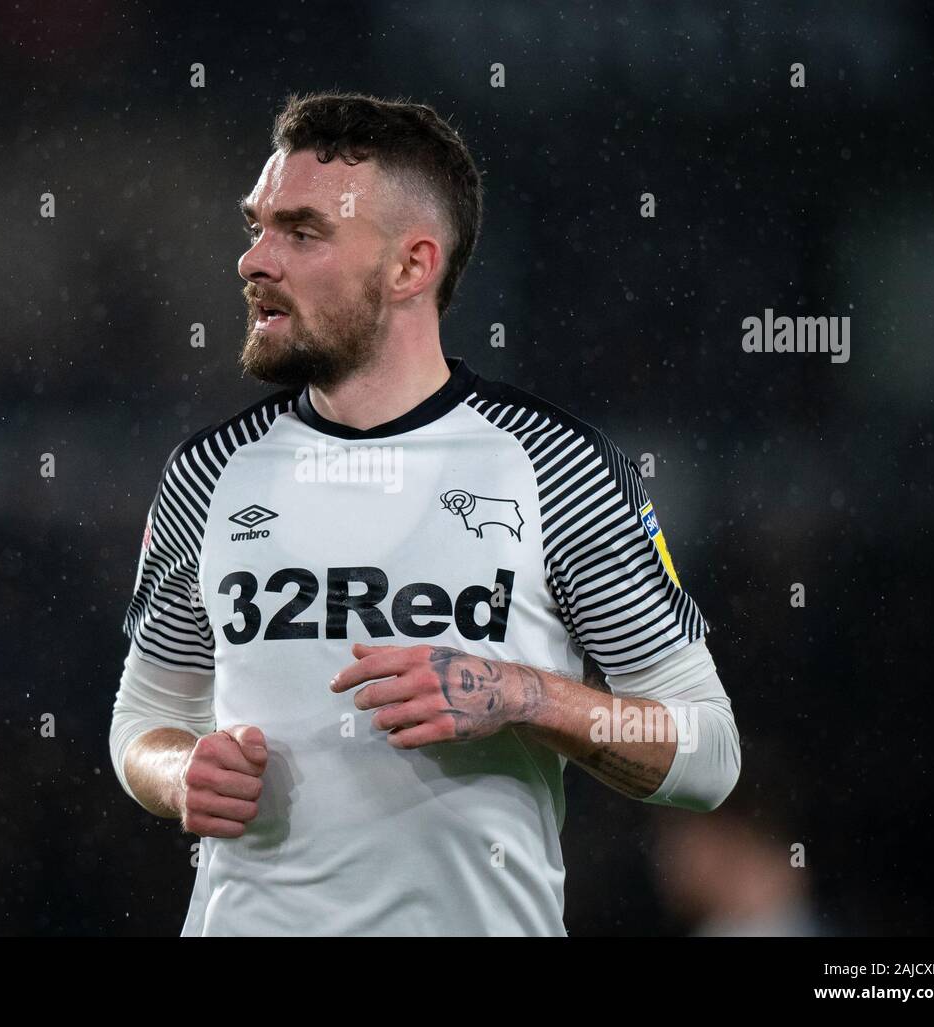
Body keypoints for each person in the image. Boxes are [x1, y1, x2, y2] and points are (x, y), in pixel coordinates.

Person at [109, 91, 741, 936]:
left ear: (412, 267)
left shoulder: (560, 468)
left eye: (301, 232)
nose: (254, 260)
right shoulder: (208, 472)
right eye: (257, 226)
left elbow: (708, 753)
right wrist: (180, 770)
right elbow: (143, 719)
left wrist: (524, 693)